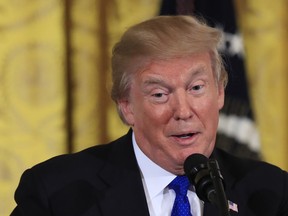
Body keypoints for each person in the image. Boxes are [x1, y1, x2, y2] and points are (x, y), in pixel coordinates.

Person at [11, 15, 288, 216]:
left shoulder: (272, 194)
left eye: (196, 88)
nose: (182, 111)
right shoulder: (58, 193)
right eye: (159, 94)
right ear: (127, 106)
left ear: (220, 94)